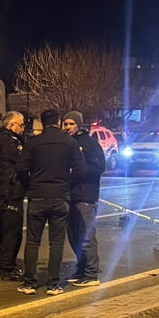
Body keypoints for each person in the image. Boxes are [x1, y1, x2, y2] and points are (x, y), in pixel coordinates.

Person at [16, 109, 86, 296]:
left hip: (37, 195)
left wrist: (31, 183)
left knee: (32, 241)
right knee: (56, 242)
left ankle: (30, 282)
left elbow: (21, 168)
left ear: (42, 122)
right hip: (60, 196)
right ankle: (53, 284)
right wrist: (67, 184)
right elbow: (80, 169)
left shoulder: (33, 143)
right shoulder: (70, 143)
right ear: (58, 121)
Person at [61, 110, 105, 286]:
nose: (68, 127)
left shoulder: (89, 143)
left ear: (79, 125)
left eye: (71, 124)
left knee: (86, 235)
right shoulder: (67, 143)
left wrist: (77, 173)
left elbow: (100, 166)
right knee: (74, 235)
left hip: (85, 194)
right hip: (70, 195)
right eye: (65, 124)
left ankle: (91, 273)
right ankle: (81, 267)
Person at [0, 111, 26, 280]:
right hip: (9, 192)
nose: (23, 128)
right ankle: (7, 268)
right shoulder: (11, 143)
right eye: (21, 124)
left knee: (5, 231)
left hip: (1, 191)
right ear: (11, 125)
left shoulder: (1, 141)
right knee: (12, 232)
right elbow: (23, 162)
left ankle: (4, 264)